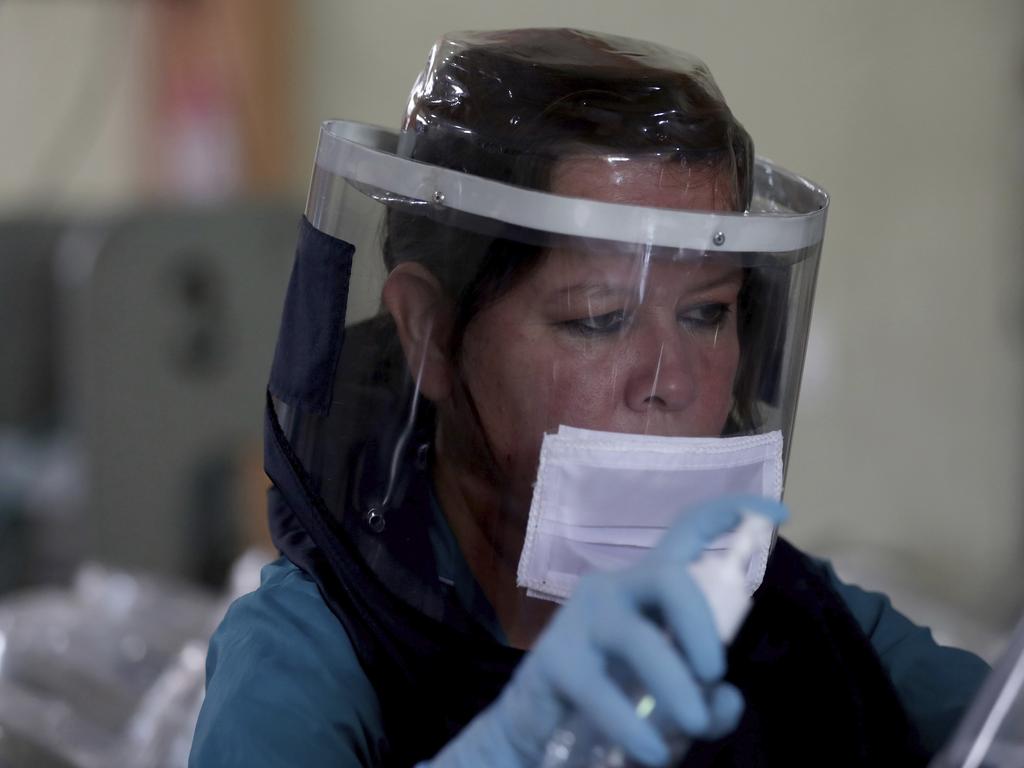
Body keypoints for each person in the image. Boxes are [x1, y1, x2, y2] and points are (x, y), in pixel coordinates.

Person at [190, 29, 988, 767]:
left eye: (708, 313)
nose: (672, 381)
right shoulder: (308, 651)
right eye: (601, 319)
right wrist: (508, 748)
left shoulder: (794, 617)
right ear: (429, 332)